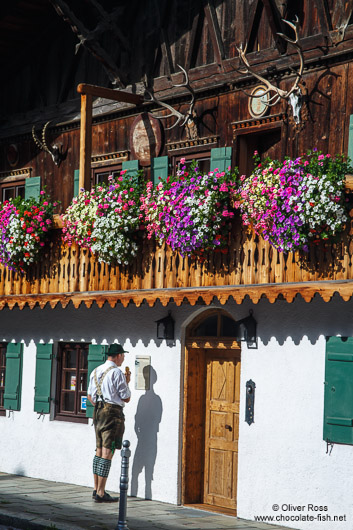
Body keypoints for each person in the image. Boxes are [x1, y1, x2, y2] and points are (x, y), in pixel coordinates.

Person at [87, 343, 131, 503]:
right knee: (108, 451)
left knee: (99, 451)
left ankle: (95, 488)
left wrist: (101, 406)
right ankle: (100, 492)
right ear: (118, 355)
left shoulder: (96, 370)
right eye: (123, 355)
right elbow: (126, 397)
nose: (123, 358)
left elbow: (90, 396)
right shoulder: (117, 373)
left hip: (97, 411)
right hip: (112, 413)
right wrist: (127, 381)